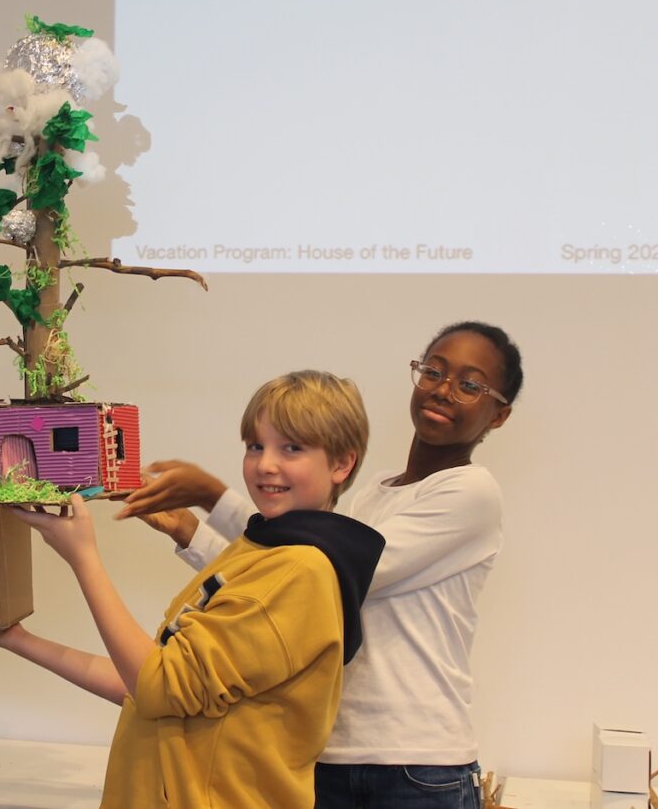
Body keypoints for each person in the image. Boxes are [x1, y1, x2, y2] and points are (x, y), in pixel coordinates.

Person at [119, 321, 523, 809]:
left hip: (417, 763)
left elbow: (339, 569)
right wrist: (187, 530)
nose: (443, 390)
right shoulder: (377, 490)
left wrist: (212, 496)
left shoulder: (471, 492)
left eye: (470, 384)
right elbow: (285, 579)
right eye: (433, 371)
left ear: (498, 416)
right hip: (331, 750)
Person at [0, 371, 386, 808]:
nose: (265, 464)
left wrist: (84, 561)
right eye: (256, 446)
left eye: (291, 448)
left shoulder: (299, 570)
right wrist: (15, 640)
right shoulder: (261, 550)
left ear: (341, 464)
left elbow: (157, 684)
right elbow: (145, 682)